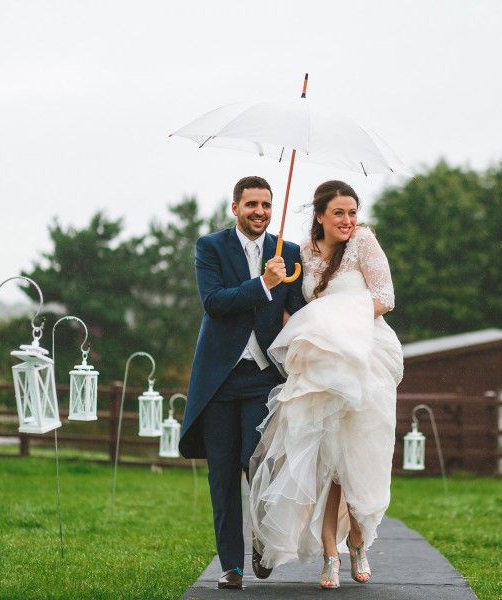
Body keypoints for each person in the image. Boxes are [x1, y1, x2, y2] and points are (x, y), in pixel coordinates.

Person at [249, 180, 404, 589]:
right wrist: (301, 328)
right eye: (339, 213)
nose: (348, 220)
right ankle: (330, 553)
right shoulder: (303, 252)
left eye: (352, 212)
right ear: (320, 215)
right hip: (322, 366)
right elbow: (298, 309)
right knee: (326, 459)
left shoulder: (365, 242)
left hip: (366, 357)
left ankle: (358, 542)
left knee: (359, 454)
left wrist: (340, 323)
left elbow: (384, 297)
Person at [178, 175, 306, 590]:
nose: (260, 212)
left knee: (260, 465)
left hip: (263, 378)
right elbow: (214, 303)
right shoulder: (210, 247)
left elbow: (298, 312)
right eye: (252, 204)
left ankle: (264, 545)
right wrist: (263, 284)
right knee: (222, 476)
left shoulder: (287, 251)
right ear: (235, 207)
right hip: (218, 380)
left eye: (266, 205)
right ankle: (231, 565)